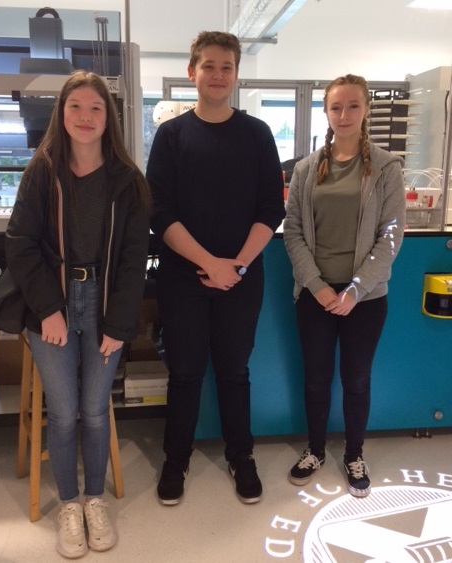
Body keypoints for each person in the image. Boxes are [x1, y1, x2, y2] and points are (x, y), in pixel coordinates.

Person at [5, 71, 151, 558]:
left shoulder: (127, 181)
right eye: (76, 107)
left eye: (96, 108)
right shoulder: (43, 171)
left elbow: (133, 258)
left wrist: (120, 323)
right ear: (61, 115)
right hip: (54, 303)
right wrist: (47, 309)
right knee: (64, 413)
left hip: (106, 302)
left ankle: (94, 500)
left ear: (108, 117)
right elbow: (21, 245)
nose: (86, 117)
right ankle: (68, 503)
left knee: (94, 411)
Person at [146, 31, 285, 506]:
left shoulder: (258, 134)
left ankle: (240, 456)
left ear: (236, 74)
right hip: (183, 278)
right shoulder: (171, 136)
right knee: (184, 373)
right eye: (209, 66)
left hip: (242, 279)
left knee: (233, 372)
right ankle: (176, 459)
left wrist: (238, 266)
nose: (218, 74)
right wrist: (210, 264)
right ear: (192, 73)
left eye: (226, 66)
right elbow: (159, 212)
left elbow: (271, 208)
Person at [283, 74, 406, 498]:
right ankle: (315, 450)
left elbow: (391, 235)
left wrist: (355, 290)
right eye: (336, 107)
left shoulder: (386, 167)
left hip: (365, 298)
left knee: (356, 379)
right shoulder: (304, 169)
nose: (344, 115)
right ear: (326, 112)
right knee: (316, 379)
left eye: (353, 106)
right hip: (314, 294)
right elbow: (294, 231)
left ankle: (354, 453)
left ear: (366, 109)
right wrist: (315, 285)